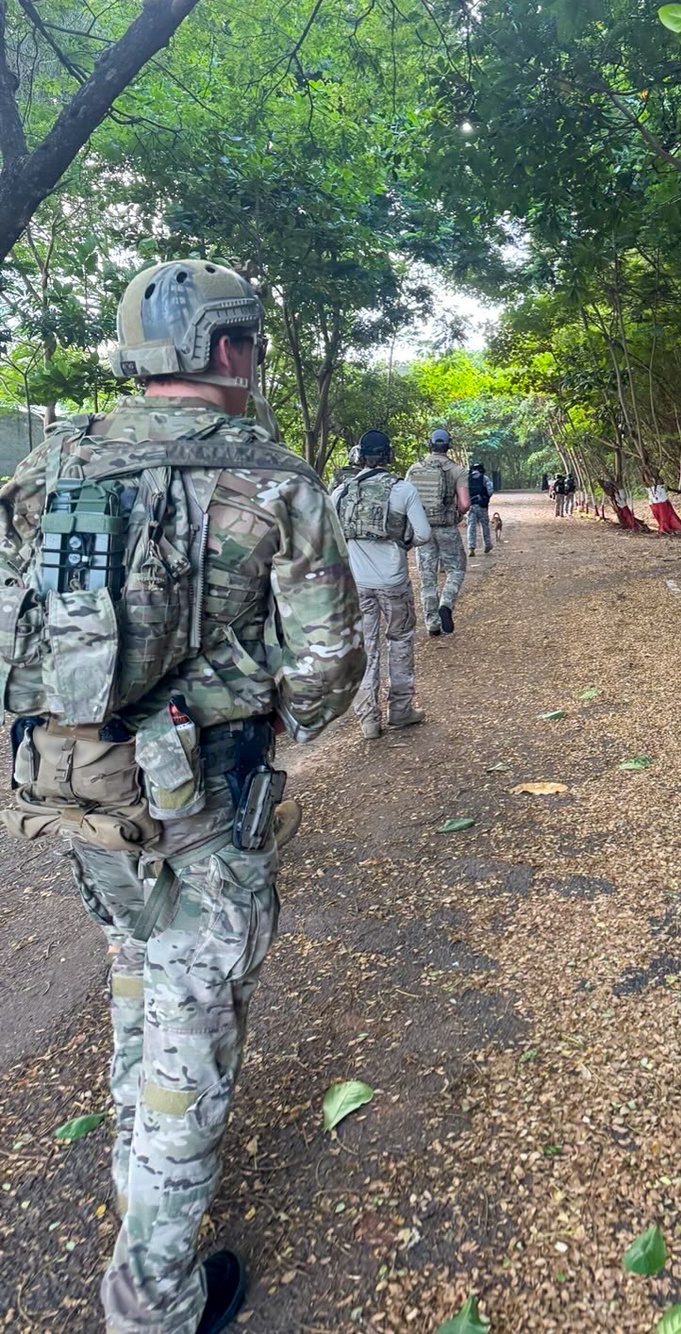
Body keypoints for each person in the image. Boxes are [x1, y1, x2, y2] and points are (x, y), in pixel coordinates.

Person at [0, 259, 365, 1334]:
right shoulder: (275, 480)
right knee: (193, 1036)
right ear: (226, 349)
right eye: (247, 338)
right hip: (206, 798)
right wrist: (261, 726)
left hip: (78, 787)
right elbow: (330, 663)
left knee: (135, 976)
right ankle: (151, 1300)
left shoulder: (50, 465)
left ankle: (136, 1182)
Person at [331, 429, 431, 739]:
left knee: (366, 648)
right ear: (388, 456)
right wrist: (402, 542)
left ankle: (369, 720)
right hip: (394, 581)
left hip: (358, 584)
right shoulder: (403, 490)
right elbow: (424, 534)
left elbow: (331, 538)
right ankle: (400, 710)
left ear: (359, 456)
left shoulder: (341, 493)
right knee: (399, 641)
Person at [405, 428, 469, 636]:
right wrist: (457, 513)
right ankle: (446, 604)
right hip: (447, 527)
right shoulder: (456, 470)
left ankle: (432, 622)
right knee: (456, 569)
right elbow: (465, 504)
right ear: (448, 446)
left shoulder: (414, 469)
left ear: (429, 444)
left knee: (427, 576)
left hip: (422, 529)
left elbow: (406, 500)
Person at [466, 459, 494, 555]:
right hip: (482, 505)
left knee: (471, 526)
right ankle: (487, 544)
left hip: (470, 506)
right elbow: (490, 491)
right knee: (485, 525)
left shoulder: (467, 478)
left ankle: (471, 547)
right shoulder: (485, 478)